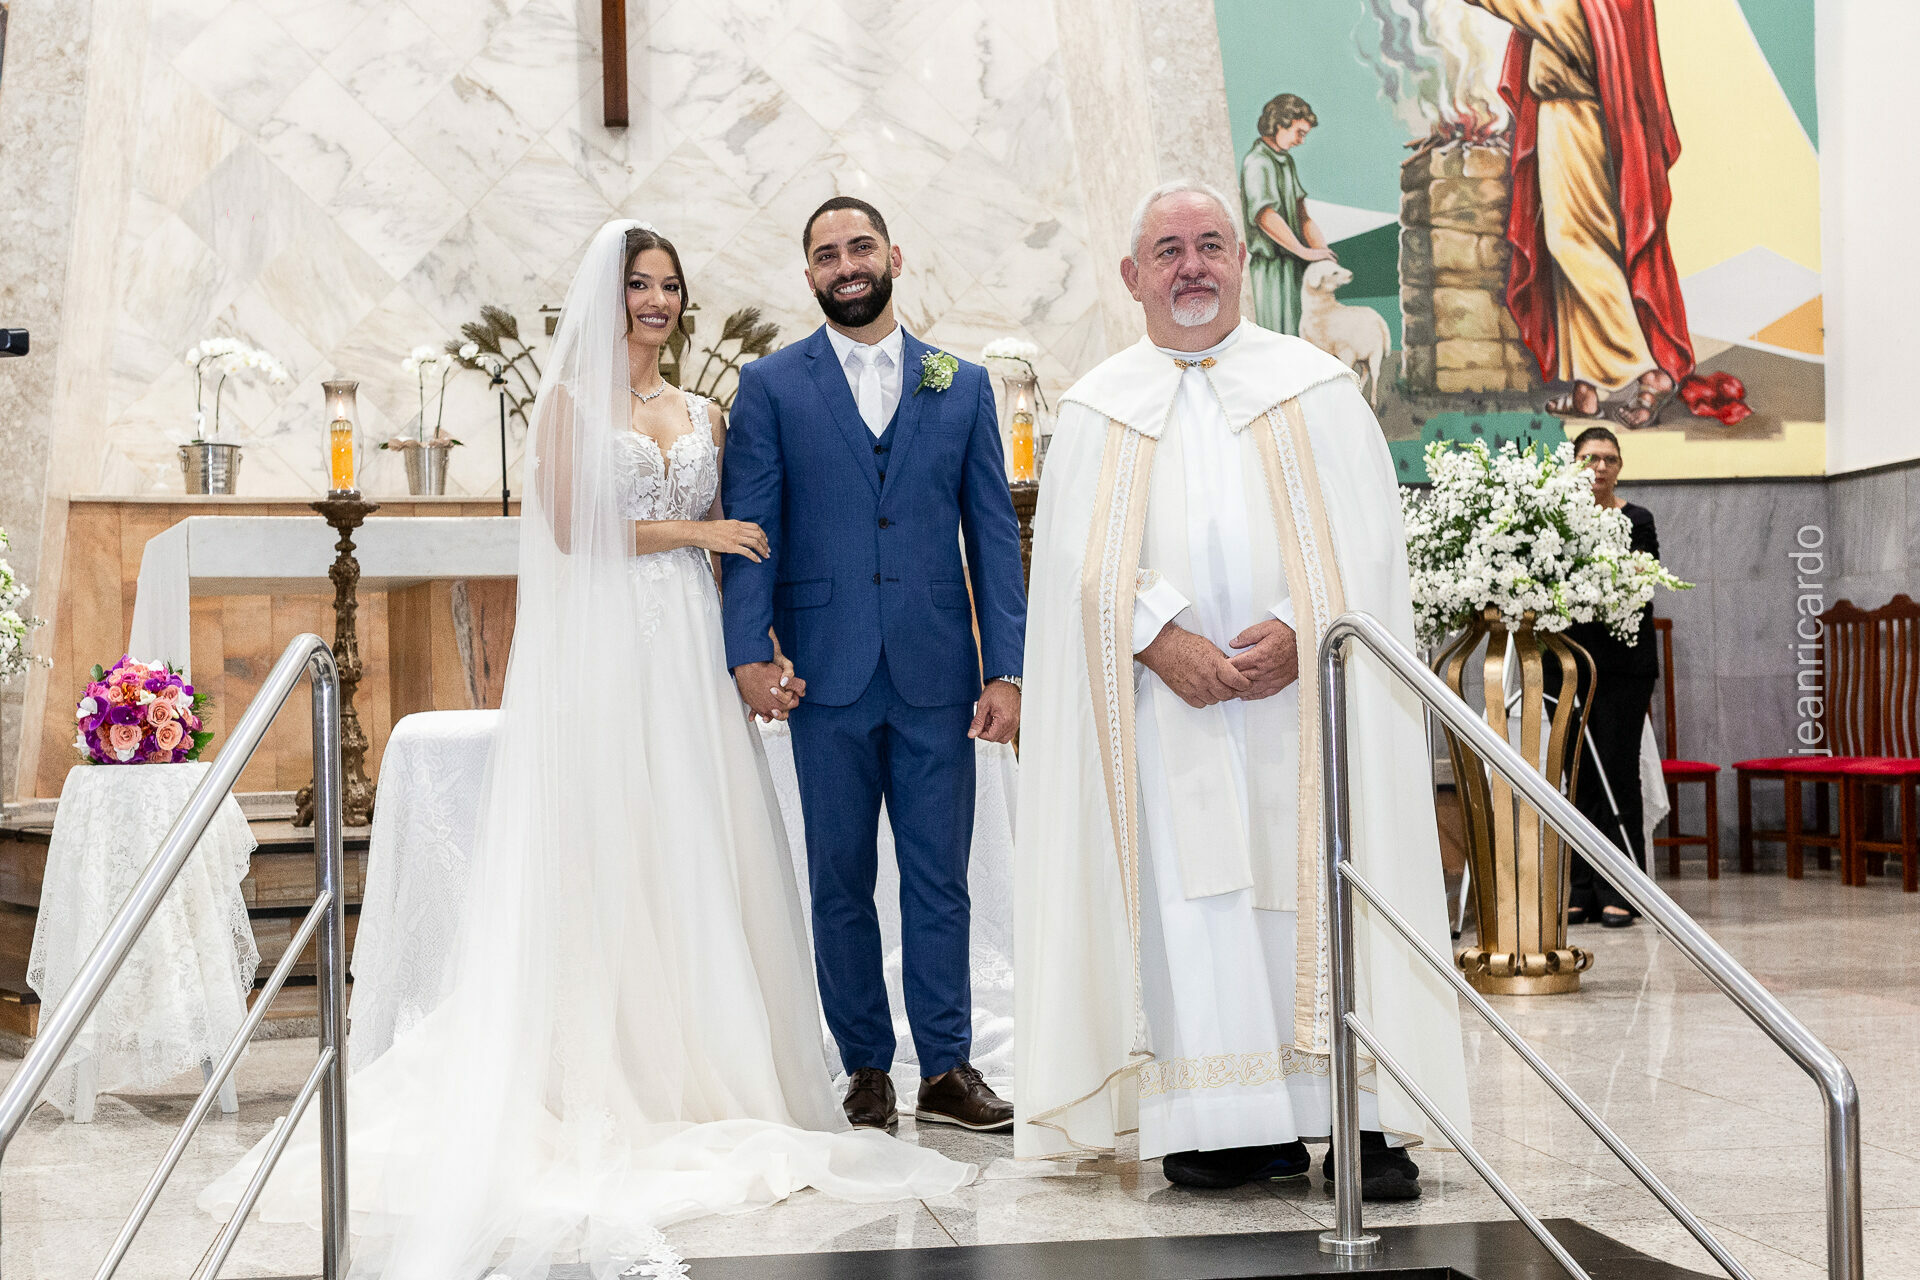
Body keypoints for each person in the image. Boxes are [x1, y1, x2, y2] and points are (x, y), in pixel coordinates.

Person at [199, 220, 972, 1278]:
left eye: (668, 286)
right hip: (610, 645)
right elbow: (571, 530)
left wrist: (759, 648)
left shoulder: (705, 409)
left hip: (688, 649)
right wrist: (698, 533)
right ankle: (610, 1066)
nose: (654, 301)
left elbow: (750, 542)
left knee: (696, 840)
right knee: (611, 838)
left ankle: (713, 1061)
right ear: (608, 300)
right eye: (637, 285)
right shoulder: (567, 406)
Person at [1014, 181, 1468, 1201]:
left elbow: (1372, 547)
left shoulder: (1315, 386)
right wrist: (1154, 636)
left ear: (1241, 263)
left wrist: (1308, 626)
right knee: (1198, 898)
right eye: (1168, 249)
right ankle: (1227, 1123)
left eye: (1212, 244)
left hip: (1310, 707)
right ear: (1133, 276)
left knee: (1331, 877)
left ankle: (1364, 1117)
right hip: (1168, 711)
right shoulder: (1097, 407)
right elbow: (1073, 564)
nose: (1192, 266)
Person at [721, 197, 1028, 1135]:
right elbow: (752, 529)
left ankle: (947, 1067)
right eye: (827, 255)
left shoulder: (961, 384)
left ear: (894, 256)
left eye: (860, 247)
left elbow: (993, 537)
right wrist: (749, 652)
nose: (846, 265)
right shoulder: (770, 386)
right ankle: (864, 1065)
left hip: (938, 672)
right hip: (825, 672)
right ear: (808, 275)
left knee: (941, 878)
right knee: (839, 878)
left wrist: (1007, 670)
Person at [1465, 0, 1694, 428]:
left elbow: (1532, 10)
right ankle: (1586, 388)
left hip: (1576, 118)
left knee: (1573, 244)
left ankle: (1649, 372)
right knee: (1571, 250)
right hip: (1561, 116)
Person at [1556, 425, 1660, 926]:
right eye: (1590, 458)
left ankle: (1622, 887)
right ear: (1574, 464)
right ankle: (1580, 886)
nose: (1600, 467)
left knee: (1618, 771)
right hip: (1570, 664)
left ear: (1620, 467)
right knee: (1577, 775)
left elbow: (1642, 580)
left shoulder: (1638, 519)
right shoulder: (1557, 520)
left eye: (1609, 459)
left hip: (1625, 666)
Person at [1239, 93, 1334, 336]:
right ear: (1280, 124)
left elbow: (1303, 217)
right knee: (1278, 336)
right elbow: (1265, 215)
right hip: (1272, 273)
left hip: (1295, 266)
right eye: (1299, 133)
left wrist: (1322, 252)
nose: (1301, 141)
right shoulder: (1257, 162)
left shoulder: (1286, 161)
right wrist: (1305, 251)